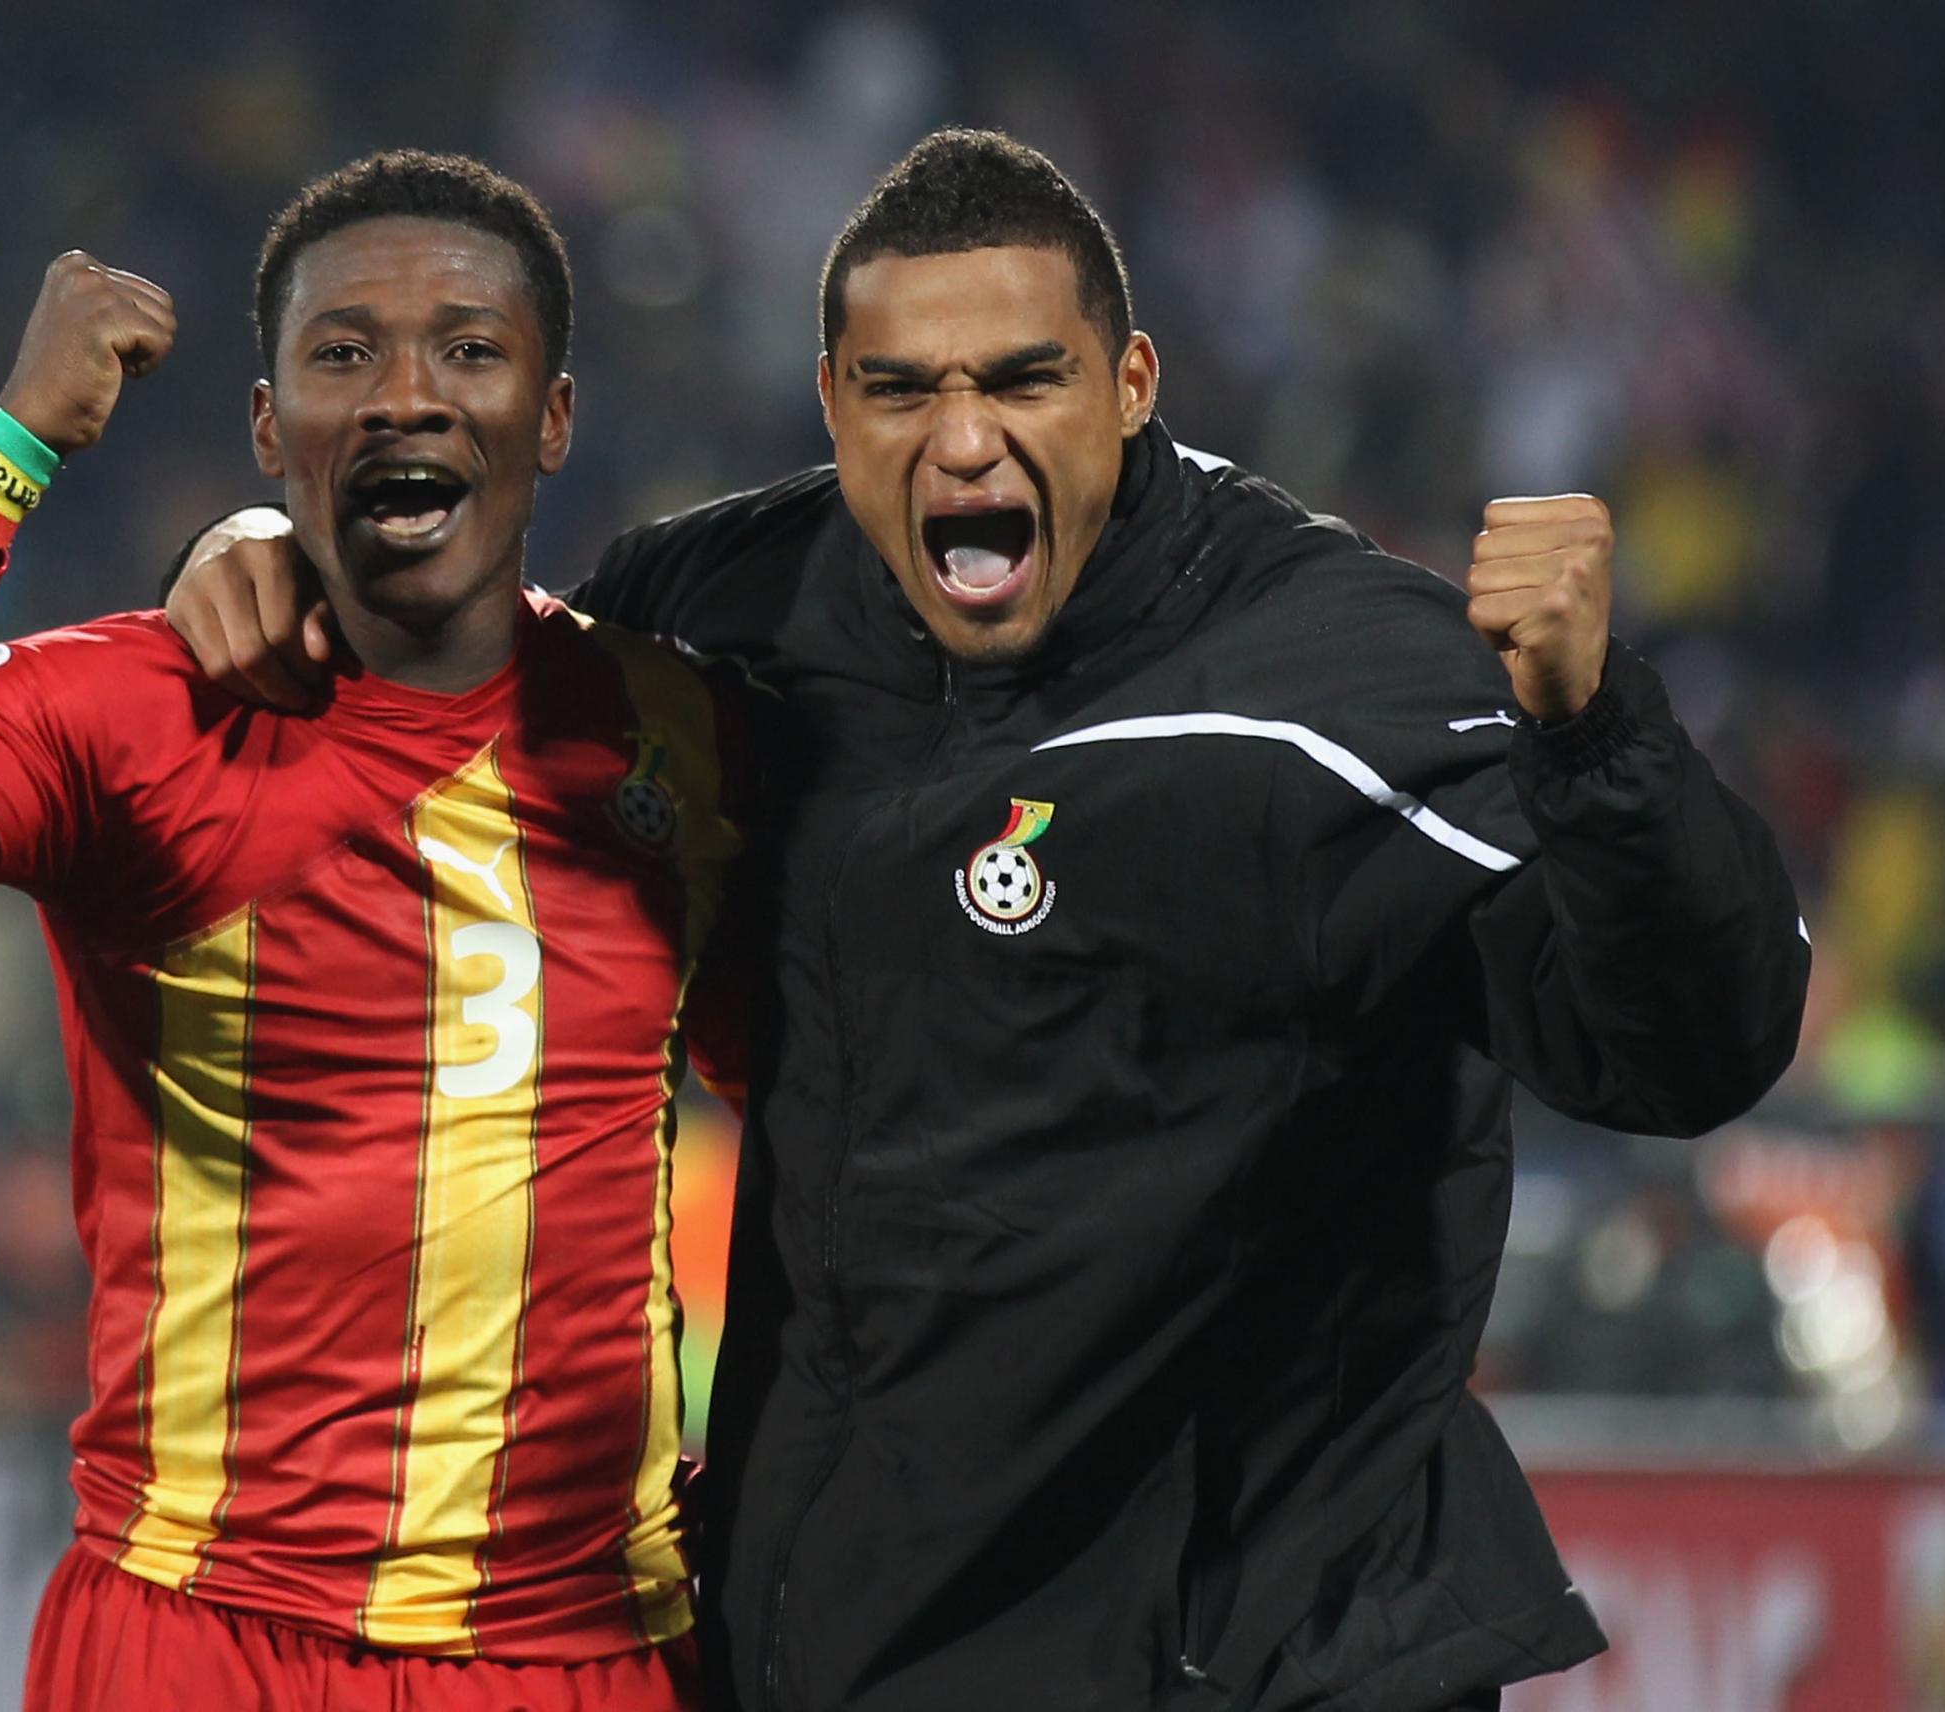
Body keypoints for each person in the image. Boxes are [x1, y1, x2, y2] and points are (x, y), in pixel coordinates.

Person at [162, 131, 1811, 1712]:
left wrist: (1600, 739)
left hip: (1249, 1664)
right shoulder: (718, 613)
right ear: (832, 402)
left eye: (1025, 379)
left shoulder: (1332, 686)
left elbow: (1688, 1051)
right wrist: (275, 551)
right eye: (903, 389)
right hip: (859, 1652)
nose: (963, 442)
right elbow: (451, 677)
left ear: (1131, 386)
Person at [0, 152, 755, 1712]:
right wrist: (5, 456)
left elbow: (828, 1087)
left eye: (469, 350)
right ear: (270, 427)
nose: (407, 393)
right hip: (211, 1639)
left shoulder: (681, 737)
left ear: (553, 416)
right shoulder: (131, 714)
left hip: (583, 1651)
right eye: (344, 354)